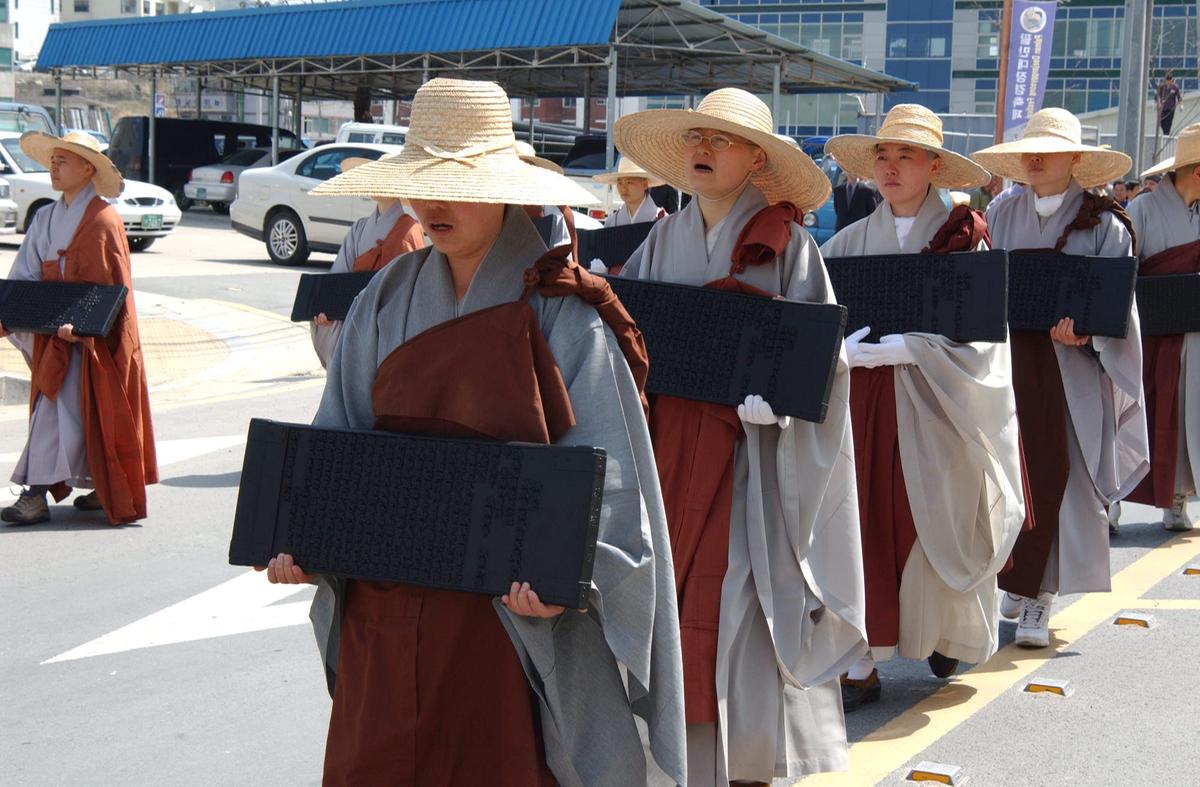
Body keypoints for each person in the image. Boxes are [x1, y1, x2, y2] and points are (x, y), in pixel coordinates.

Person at [264, 78, 686, 787]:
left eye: (456, 185)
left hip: (504, 618)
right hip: (384, 608)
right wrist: (306, 539)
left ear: (501, 190)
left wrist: (569, 577)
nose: (434, 204)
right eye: (423, 184)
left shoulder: (563, 312)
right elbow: (337, 444)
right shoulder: (386, 296)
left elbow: (611, 478)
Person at [614, 87, 867, 785]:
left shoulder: (789, 246)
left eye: (720, 140)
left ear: (756, 159)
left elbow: (825, 359)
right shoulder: (661, 238)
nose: (702, 150)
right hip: (669, 456)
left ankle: (749, 764)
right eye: (696, 137)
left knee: (742, 614)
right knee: (672, 608)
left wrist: (780, 408)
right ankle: (684, 766)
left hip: (751, 462)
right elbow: (630, 342)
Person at [821, 105, 1026, 708]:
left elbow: (985, 340)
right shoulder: (847, 243)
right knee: (861, 520)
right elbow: (817, 316)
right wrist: (842, 352)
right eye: (882, 156)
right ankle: (860, 659)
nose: (890, 167)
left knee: (935, 517)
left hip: (940, 407)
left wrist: (913, 348)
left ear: (934, 166)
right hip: (865, 406)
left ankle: (943, 633)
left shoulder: (966, 237)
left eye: (905, 155)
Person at [972, 107, 1148, 649]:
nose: (1035, 159)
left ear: (1074, 158)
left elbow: (1118, 309)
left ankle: (1040, 595)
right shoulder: (1000, 213)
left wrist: (1088, 334)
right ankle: (1016, 576)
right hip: (1008, 365)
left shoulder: (1105, 223)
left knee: (1059, 478)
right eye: (1029, 149)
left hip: (1068, 369)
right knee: (1006, 473)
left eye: (1048, 151)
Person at [0, 130, 157, 527]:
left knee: (83, 413)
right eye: (52, 161)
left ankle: (38, 495)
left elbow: (114, 289)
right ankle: (83, 489)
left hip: (91, 343)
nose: (54, 168)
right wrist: (23, 316)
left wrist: (84, 326)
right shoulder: (45, 217)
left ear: (88, 169)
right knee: (58, 412)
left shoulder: (105, 220)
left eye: (63, 161)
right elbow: (25, 275)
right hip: (51, 336)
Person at [1120, 122, 1200, 532]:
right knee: (1138, 414)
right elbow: (1124, 272)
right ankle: (1112, 503)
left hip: (1194, 334)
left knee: (1188, 419)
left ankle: (1177, 499)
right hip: (1149, 332)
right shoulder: (1143, 209)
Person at [310, 155, 425, 368]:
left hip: (387, 332)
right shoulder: (360, 228)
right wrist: (329, 308)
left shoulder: (410, 229)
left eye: (383, 178)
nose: (376, 183)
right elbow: (338, 278)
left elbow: (408, 291)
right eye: (375, 177)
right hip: (351, 321)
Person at [594, 156, 667, 226]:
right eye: (620, 183)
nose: (623, 189)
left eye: (629, 182)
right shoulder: (611, 221)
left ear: (645, 184)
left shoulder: (662, 221)